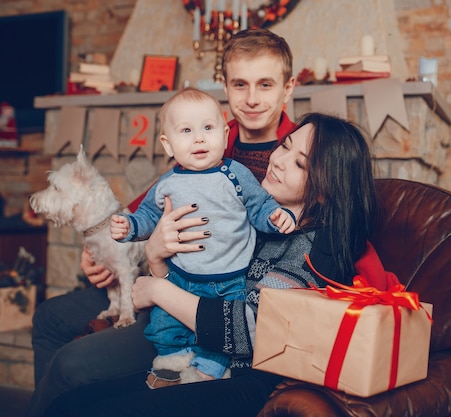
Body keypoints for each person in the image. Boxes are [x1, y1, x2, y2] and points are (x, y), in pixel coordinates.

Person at [27, 27, 296, 417]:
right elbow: (147, 205)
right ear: (224, 86)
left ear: (288, 88)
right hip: (165, 274)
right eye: (240, 84)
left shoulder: (294, 155)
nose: (252, 99)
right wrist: (109, 244)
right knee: (49, 317)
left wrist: (157, 271)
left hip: (209, 296)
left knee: (73, 365)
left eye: (265, 84)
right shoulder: (207, 138)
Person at [45, 112, 378, 417]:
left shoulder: (313, 246)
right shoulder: (261, 217)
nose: (278, 161)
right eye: (285, 146)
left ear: (325, 191)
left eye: (300, 164)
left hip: (244, 379)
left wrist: (159, 290)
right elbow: (199, 278)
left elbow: (255, 328)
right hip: (193, 351)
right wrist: (157, 261)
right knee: (69, 403)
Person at [110, 87, 295, 388]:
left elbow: (260, 206)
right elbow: (147, 217)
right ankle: (175, 362)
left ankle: (210, 369)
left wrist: (275, 218)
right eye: (186, 131)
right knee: (161, 327)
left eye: (208, 129)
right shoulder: (168, 183)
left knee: (218, 338)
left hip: (229, 280)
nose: (198, 138)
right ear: (168, 145)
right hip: (180, 276)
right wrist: (129, 227)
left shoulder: (236, 174)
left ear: (224, 135)